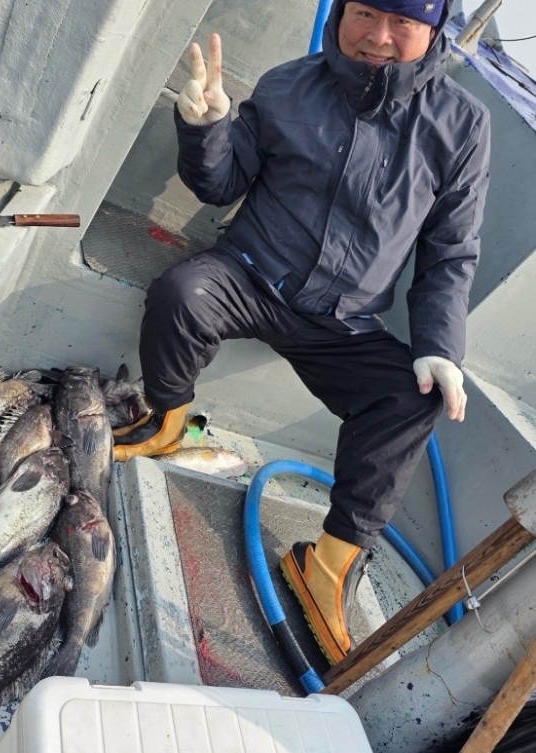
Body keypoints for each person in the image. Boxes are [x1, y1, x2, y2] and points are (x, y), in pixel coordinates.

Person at [114, 0, 491, 664]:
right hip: (249, 272)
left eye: (403, 23)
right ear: (342, 9)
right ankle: (167, 422)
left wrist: (439, 347)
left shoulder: (464, 125)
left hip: (343, 322)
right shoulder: (288, 82)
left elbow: (450, 253)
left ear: (433, 32)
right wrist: (205, 126)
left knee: (414, 396)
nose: (378, 37)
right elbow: (221, 181)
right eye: (366, 12)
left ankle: (329, 564)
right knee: (180, 294)